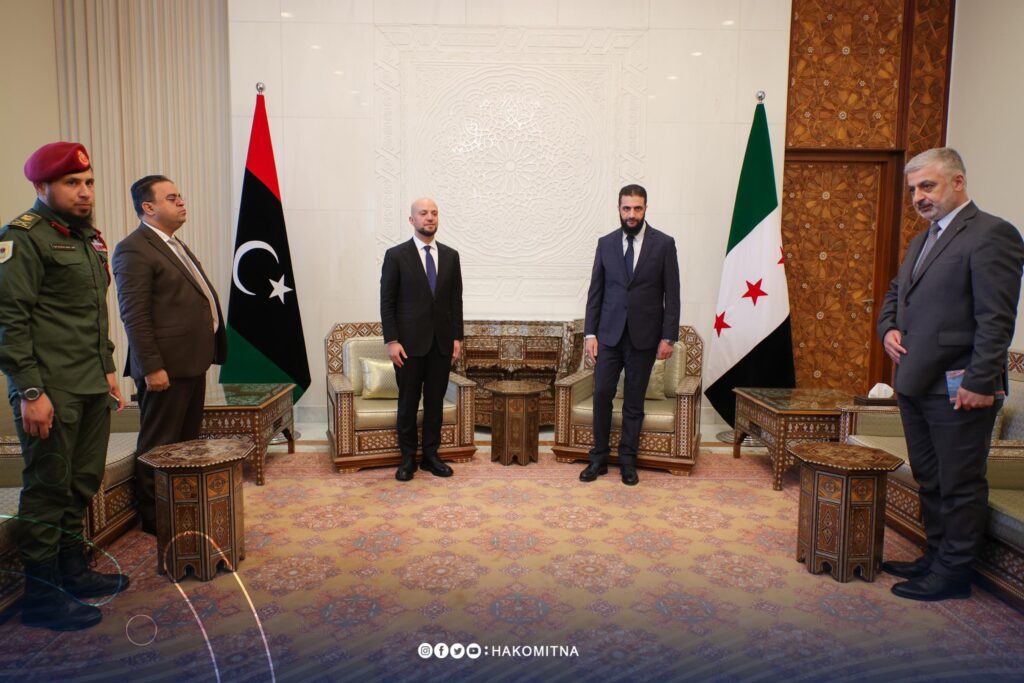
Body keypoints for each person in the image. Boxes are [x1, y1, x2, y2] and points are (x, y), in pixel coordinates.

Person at [878, 147, 1024, 601]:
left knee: (959, 482)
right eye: (914, 190)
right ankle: (935, 557)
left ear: (958, 182)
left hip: (960, 387)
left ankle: (954, 574)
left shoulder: (991, 234)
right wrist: (889, 328)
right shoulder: (923, 240)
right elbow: (897, 291)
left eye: (928, 186)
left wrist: (981, 382)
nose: (919, 197)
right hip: (916, 382)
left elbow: (997, 319)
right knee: (931, 477)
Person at [0, 142, 129, 630]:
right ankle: (42, 594)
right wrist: (30, 392)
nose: (84, 192)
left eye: (89, 182)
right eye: (72, 183)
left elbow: (93, 318)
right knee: (47, 488)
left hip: (90, 384)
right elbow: (10, 322)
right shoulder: (23, 239)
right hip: (50, 389)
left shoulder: (88, 240)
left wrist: (108, 371)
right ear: (42, 187)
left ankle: (73, 571)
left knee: (80, 482)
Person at [112, 175, 227, 534]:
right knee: (160, 445)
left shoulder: (173, 244)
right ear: (149, 207)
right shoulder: (134, 248)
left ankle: (179, 505)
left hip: (190, 361)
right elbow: (134, 314)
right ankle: (154, 516)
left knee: (185, 444)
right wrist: (152, 367)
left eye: (180, 196)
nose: (181, 202)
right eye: (172, 197)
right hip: (164, 368)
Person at [581, 184, 680, 486]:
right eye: (627, 208)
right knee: (601, 396)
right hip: (609, 336)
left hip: (644, 338)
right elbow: (595, 292)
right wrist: (590, 334)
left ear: (646, 208)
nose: (632, 214)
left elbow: (672, 295)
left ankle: (628, 461)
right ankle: (598, 458)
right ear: (619, 209)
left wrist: (668, 337)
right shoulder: (606, 243)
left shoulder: (664, 244)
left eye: (637, 208)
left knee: (634, 402)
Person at [380, 197, 463, 481]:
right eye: (423, 213)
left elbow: (455, 300)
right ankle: (407, 459)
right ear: (412, 220)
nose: (429, 218)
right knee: (408, 402)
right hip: (408, 346)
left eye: (434, 213)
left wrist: (457, 337)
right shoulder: (396, 256)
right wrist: (391, 340)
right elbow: (387, 301)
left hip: (441, 344)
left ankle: (430, 456)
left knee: (435, 403)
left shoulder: (451, 256)